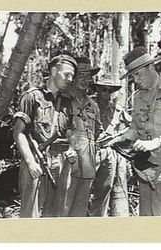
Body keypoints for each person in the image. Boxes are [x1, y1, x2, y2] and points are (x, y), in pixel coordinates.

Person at [107, 46, 161, 216]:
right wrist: (123, 138)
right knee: (147, 225)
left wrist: (156, 142)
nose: (136, 80)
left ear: (151, 67)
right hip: (147, 171)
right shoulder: (140, 96)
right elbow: (136, 127)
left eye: (138, 74)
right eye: (132, 76)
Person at [13, 54, 78, 218]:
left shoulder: (67, 102)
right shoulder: (32, 97)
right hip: (36, 159)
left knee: (54, 213)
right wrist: (30, 162)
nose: (70, 79)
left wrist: (71, 149)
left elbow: (71, 133)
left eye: (72, 76)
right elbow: (18, 132)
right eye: (67, 74)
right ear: (54, 71)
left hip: (60, 162)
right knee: (30, 215)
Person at [59, 57, 103, 217]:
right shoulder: (62, 99)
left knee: (79, 212)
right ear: (73, 77)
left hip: (88, 166)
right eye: (81, 75)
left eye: (88, 76)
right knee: (62, 210)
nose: (85, 80)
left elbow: (98, 130)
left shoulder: (93, 105)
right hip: (67, 164)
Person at [89, 74, 131, 217]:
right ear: (97, 90)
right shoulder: (88, 105)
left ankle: (98, 220)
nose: (106, 94)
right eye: (103, 90)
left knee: (104, 189)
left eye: (109, 90)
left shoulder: (117, 111)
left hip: (108, 152)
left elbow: (134, 125)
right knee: (84, 189)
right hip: (89, 151)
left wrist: (120, 136)